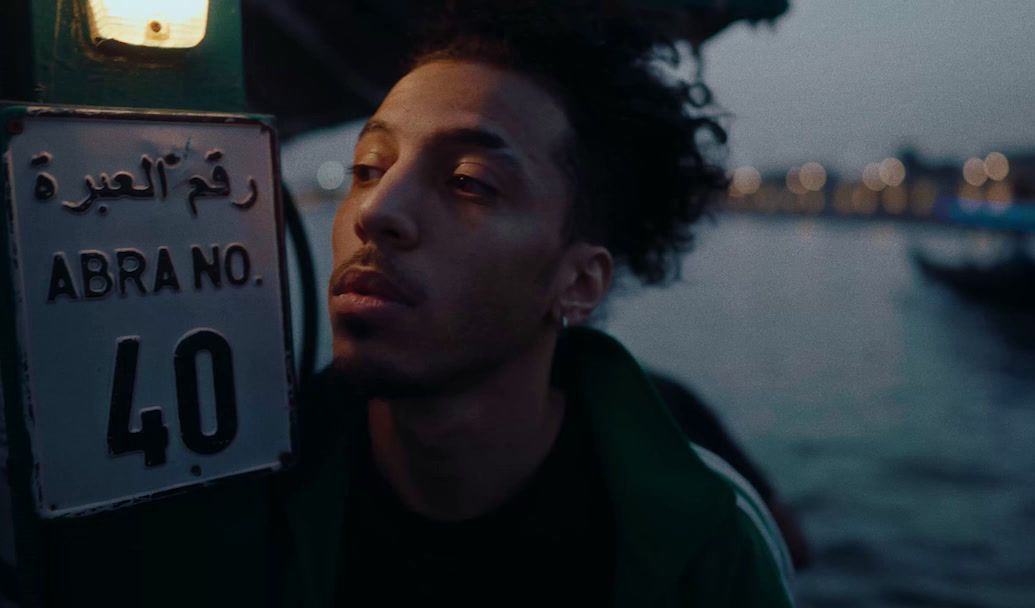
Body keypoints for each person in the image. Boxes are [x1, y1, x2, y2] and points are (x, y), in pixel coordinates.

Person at [278, 4, 796, 606]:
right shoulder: (238, 486)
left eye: (469, 180)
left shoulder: (710, 546)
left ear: (577, 283)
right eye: (369, 168)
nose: (375, 211)